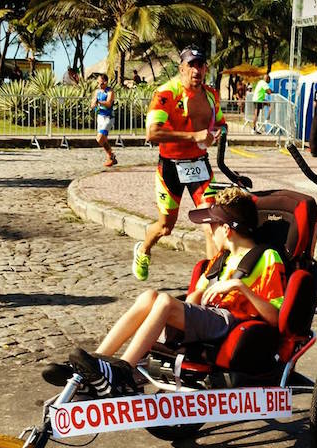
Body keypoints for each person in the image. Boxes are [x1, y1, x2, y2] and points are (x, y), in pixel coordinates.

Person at [43, 188, 286, 397]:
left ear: (227, 229)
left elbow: (276, 317)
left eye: (212, 225)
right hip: (209, 317)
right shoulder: (221, 260)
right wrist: (198, 297)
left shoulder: (266, 258)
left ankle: (124, 372)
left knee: (166, 303)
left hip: (233, 323)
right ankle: (95, 363)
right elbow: (193, 299)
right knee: (149, 296)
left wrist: (238, 286)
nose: (210, 231)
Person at [134, 44, 227, 281]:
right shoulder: (166, 94)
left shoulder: (211, 95)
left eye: (201, 65)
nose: (197, 70)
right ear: (181, 68)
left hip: (199, 166)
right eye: (191, 65)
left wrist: (216, 134)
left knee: (212, 223)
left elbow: (221, 124)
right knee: (166, 227)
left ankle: (209, 284)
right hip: (171, 166)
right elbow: (152, 134)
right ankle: (143, 249)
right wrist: (193, 136)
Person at [90, 73, 117, 168]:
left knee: (100, 138)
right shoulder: (97, 92)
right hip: (100, 117)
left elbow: (109, 103)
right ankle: (111, 156)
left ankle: (110, 155)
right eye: (97, 83)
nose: (98, 85)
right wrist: (93, 104)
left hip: (108, 118)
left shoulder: (110, 91)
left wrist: (99, 102)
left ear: (105, 82)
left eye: (100, 83)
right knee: (102, 140)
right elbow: (93, 103)